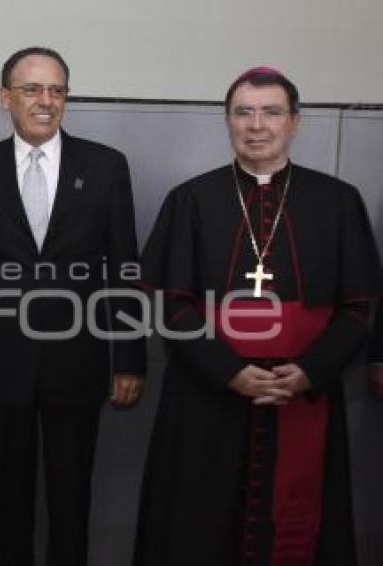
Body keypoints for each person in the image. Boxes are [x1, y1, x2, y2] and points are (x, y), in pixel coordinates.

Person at [135, 67, 381, 565]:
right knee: (198, 524)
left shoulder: (336, 201)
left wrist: (310, 371)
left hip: (303, 392)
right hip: (208, 396)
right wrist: (229, 371)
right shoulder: (191, 200)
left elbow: (359, 308)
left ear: (295, 122)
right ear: (227, 121)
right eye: (243, 112)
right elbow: (169, 303)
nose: (257, 125)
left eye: (271, 112)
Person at [0, 47, 145, 565]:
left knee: (71, 496)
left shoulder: (106, 167)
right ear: (5, 98)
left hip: (77, 361)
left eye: (56, 90)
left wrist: (128, 358)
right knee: (6, 497)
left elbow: (124, 268)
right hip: (0, 362)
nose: (46, 100)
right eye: (33, 89)